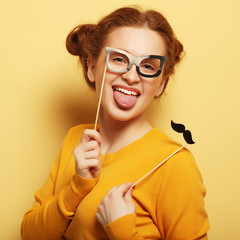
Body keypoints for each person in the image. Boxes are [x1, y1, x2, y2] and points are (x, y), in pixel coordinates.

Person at [21, 6, 210, 240]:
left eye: (148, 66)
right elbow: (30, 235)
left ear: (161, 84)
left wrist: (122, 230)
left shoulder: (175, 164)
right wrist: (76, 189)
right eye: (119, 59)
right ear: (91, 67)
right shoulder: (76, 139)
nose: (132, 76)